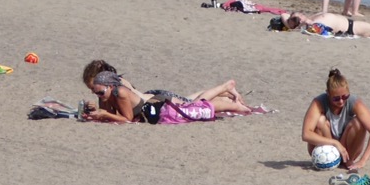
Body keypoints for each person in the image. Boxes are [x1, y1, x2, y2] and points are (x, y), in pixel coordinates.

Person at [82, 63, 254, 123]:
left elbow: (123, 115)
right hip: (152, 99)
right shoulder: (109, 89)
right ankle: (223, 92)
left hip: (158, 101)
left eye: (94, 88)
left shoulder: (119, 87)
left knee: (192, 104)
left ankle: (225, 87)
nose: (93, 91)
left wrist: (104, 113)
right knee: (189, 100)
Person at [301, 67, 370, 171]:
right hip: (326, 148)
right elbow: (306, 134)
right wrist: (334, 143)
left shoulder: (354, 102)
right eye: (336, 98)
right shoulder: (319, 102)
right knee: (320, 121)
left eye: (345, 97)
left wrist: (363, 161)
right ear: (328, 93)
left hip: (348, 150)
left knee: (359, 123)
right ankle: (327, 160)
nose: (341, 101)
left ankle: (346, 160)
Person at [277, 11, 370, 40]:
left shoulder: (312, 18)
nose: (301, 16)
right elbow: (287, 19)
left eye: (300, 14)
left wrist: (292, 20)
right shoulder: (314, 25)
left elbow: (283, 14)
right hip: (352, 28)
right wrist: (296, 23)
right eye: (298, 18)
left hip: (351, 24)